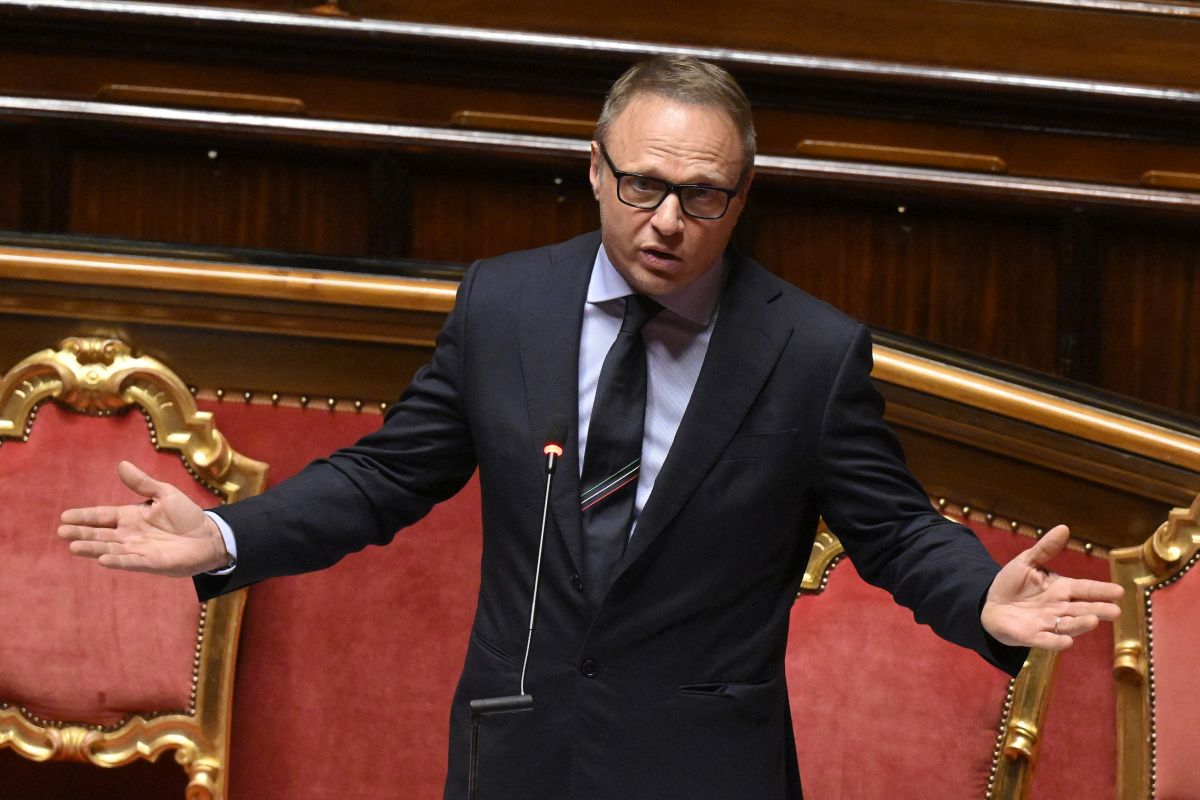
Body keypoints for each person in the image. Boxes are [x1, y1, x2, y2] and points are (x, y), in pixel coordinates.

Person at [59, 56, 1122, 799]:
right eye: (643, 184)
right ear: (596, 170)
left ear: (743, 198)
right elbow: (388, 475)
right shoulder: (505, 304)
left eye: (701, 197)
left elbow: (893, 528)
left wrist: (979, 595)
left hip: (704, 768)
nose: (667, 221)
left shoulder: (807, 352)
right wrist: (228, 534)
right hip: (516, 751)